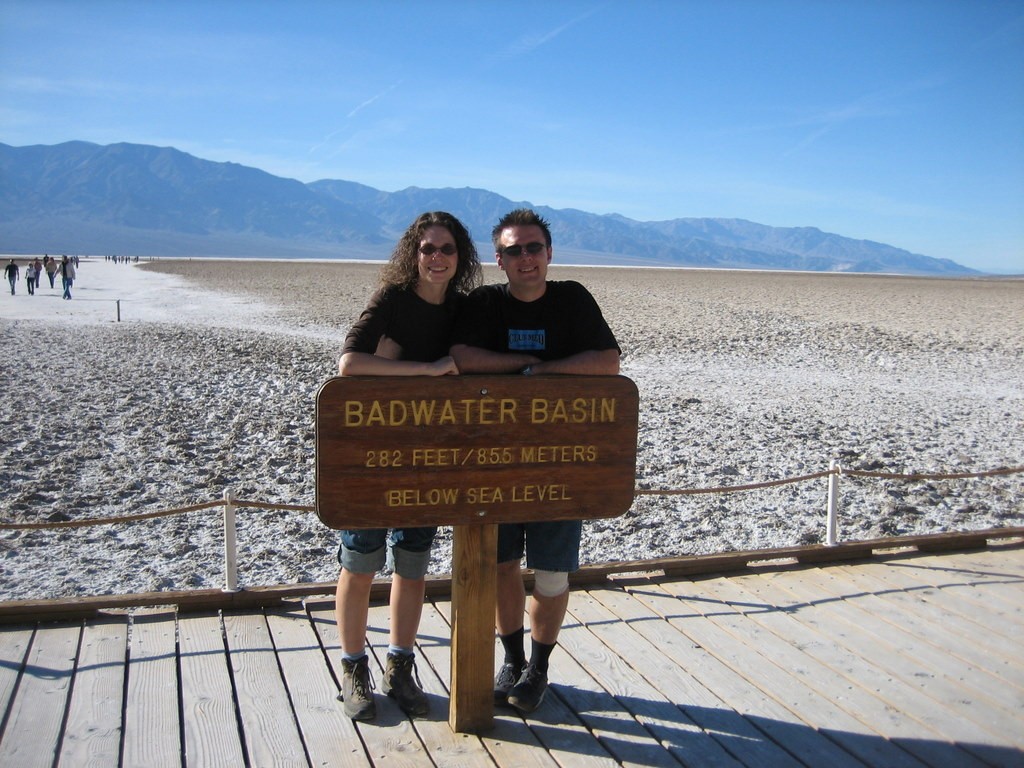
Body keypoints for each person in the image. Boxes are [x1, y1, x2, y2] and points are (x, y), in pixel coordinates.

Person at [450, 208, 621, 715]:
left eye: (534, 248)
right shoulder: (485, 303)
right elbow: (463, 357)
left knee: (550, 574)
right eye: (514, 250)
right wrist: (532, 370)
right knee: (502, 565)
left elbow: (607, 361)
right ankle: (512, 658)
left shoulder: (572, 299)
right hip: (495, 464)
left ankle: (539, 669)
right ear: (498, 259)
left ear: (549, 254)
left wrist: (541, 372)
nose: (526, 258)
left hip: (558, 463)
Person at [334, 211, 482, 721]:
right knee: (361, 559)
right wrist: (423, 369)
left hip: (429, 457)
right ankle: (354, 669)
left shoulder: (462, 311)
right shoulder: (392, 301)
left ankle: (400, 667)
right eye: (427, 248)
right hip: (375, 452)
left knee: (413, 561)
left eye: (446, 249)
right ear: (412, 254)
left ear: (460, 257)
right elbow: (349, 364)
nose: (436, 258)